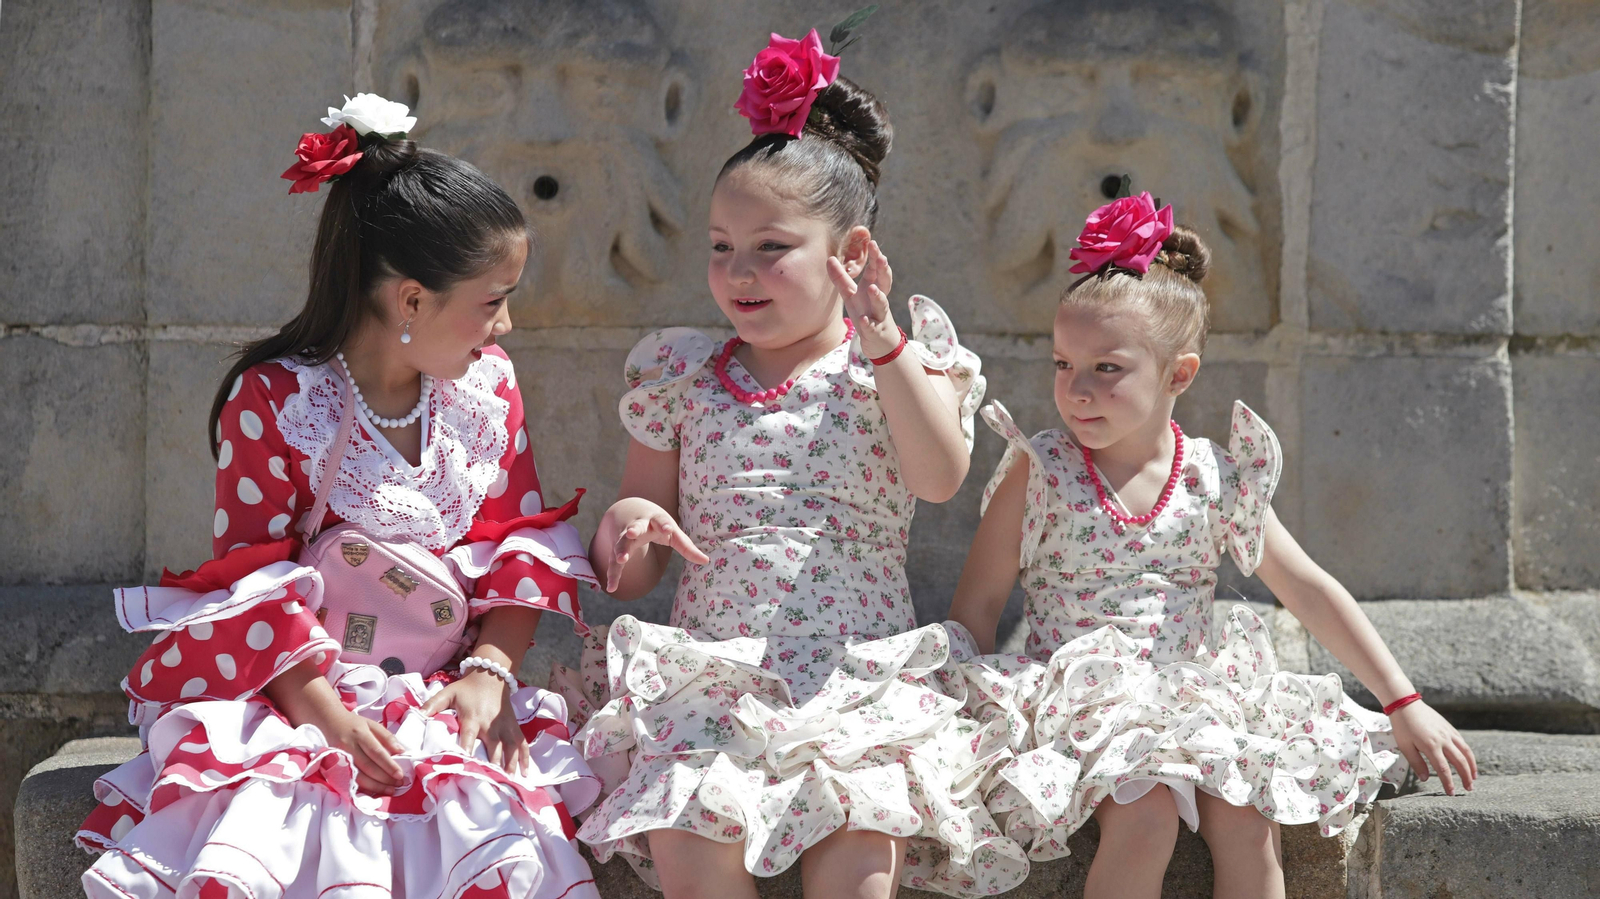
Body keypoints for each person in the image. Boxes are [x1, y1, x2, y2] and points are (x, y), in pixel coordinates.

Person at [76, 93, 602, 899]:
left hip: (448, 686)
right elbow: (253, 582)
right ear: (413, 299)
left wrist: (493, 669)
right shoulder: (278, 399)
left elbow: (515, 544)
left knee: (486, 822)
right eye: (491, 302)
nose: (505, 328)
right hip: (302, 695)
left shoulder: (486, 393)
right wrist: (330, 719)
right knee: (298, 818)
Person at [551, 30, 1027, 899]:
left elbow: (939, 477)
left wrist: (886, 344)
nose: (740, 270)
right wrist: (628, 529)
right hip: (717, 674)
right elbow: (633, 565)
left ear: (849, 256)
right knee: (691, 850)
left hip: (858, 679)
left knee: (856, 859)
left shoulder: (895, 364)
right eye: (721, 246)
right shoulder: (680, 378)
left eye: (771, 246)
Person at [946, 192, 1478, 899]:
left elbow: (1308, 587)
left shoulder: (1214, 476)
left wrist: (1402, 698)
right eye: (1063, 364)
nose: (1077, 389)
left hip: (1191, 694)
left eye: (1107, 368)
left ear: (1179, 374)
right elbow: (979, 601)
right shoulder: (1039, 469)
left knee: (1250, 819)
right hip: (1082, 698)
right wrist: (966, 717)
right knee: (1146, 814)